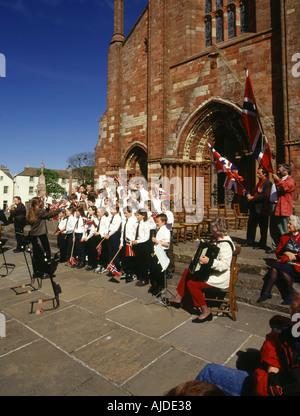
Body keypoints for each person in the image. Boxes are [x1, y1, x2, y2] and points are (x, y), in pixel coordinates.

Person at [195, 294, 300, 396]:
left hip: (269, 384)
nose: (291, 312)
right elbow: (276, 340)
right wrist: (272, 364)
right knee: (247, 358)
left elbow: (263, 388)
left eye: (295, 312)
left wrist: (269, 369)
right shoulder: (290, 333)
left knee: (209, 372)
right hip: (280, 371)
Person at [167, 216, 235, 323]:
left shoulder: (225, 244)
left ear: (217, 229)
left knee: (192, 284)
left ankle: (206, 311)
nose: (210, 230)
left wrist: (209, 261)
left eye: (212, 228)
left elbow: (224, 265)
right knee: (188, 271)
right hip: (212, 272)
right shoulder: (218, 240)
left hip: (219, 277)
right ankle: (178, 298)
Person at [257, 215, 300, 305]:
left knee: (281, 271)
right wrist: (286, 253)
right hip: (285, 261)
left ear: (296, 226)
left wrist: (295, 256)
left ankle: (289, 296)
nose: (287, 225)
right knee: (274, 268)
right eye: (288, 223)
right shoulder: (284, 236)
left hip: (296, 263)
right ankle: (266, 293)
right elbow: (278, 250)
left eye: (290, 224)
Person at [26, 197, 61, 278]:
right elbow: (50, 214)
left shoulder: (32, 210)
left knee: (36, 254)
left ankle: (36, 272)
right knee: (44, 254)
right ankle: (44, 272)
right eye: (40, 202)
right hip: (40, 235)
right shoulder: (39, 211)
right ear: (37, 204)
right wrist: (59, 209)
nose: (42, 203)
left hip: (34, 235)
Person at [268, 163, 296, 254]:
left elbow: (285, 187)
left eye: (280, 170)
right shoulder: (278, 180)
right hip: (274, 206)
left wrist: (277, 180)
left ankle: (285, 248)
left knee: (283, 228)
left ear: (286, 171)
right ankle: (275, 246)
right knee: (274, 227)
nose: (278, 171)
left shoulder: (290, 180)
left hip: (283, 207)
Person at [242, 166, 271, 250]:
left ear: (264, 174)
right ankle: (250, 241)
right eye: (257, 173)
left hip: (262, 209)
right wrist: (250, 196)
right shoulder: (259, 183)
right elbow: (257, 193)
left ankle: (262, 244)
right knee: (251, 225)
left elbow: (264, 195)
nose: (257, 175)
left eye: (259, 173)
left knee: (263, 228)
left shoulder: (267, 183)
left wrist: (253, 198)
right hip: (254, 208)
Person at [149, 213, 171, 295]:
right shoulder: (160, 229)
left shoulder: (166, 231)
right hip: (157, 252)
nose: (156, 223)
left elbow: (167, 244)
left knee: (160, 271)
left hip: (162, 252)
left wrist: (157, 241)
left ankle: (162, 287)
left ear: (163, 222)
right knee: (155, 270)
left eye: (158, 222)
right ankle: (156, 285)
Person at [119, 206, 138, 282]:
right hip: (124, 241)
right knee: (124, 258)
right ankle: (126, 271)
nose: (125, 215)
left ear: (131, 212)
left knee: (131, 258)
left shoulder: (134, 221)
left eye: (126, 213)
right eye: (124, 213)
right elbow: (122, 232)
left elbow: (134, 232)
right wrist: (121, 242)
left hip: (130, 242)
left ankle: (132, 273)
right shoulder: (124, 221)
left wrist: (132, 240)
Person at [132, 209, 150, 287]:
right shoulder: (137, 223)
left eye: (139, 215)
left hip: (143, 244)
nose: (137, 216)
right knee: (138, 261)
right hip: (137, 244)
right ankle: (140, 277)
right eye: (137, 215)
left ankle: (145, 279)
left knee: (143, 262)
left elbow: (146, 237)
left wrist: (138, 241)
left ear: (143, 216)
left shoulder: (145, 224)